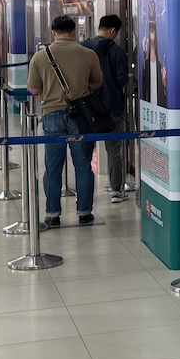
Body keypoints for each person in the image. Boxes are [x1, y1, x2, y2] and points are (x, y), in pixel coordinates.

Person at [27, 15, 103, 226]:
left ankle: (53, 214)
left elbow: (33, 89)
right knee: (82, 165)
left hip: (51, 115)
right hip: (81, 116)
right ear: (73, 31)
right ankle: (84, 212)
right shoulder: (89, 54)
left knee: (53, 167)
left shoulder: (40, 57)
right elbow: (97, 83)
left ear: (53, 32)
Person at [85, 14, 132, 202]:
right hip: (112, 105)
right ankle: (116, 191)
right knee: (114, 150)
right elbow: (121, 79)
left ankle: (85, 197)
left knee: (84, 151)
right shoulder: (117, 51)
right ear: (113, 31)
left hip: (87, 106)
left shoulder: (83, 47)